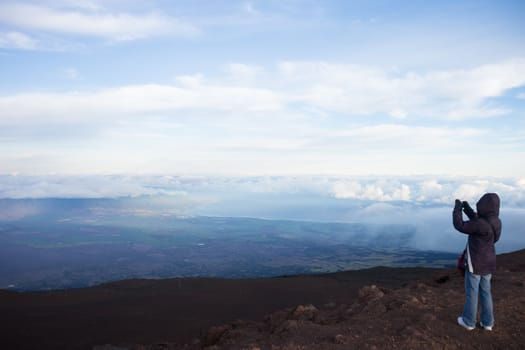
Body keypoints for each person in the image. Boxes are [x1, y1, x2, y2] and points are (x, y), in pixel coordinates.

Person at [453, 193, 502, 331]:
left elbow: (460, 225)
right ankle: (488, 323)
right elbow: (479, 223)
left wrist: (457, 209)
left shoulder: (481, 224)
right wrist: (467, 209)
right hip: (489, 262)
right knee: (486, 292)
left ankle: (469, 322)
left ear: (484, 206)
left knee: (472, 292)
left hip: (476, 263)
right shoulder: (497, 222)